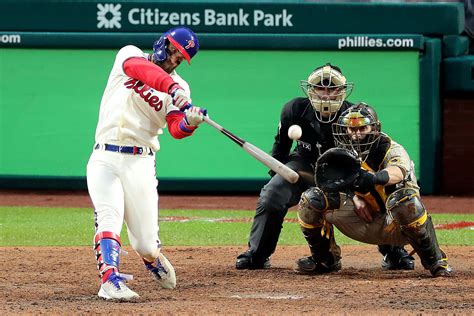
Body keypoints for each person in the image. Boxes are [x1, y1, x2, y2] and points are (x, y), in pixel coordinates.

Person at [87, 26, 207, 301]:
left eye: (180, 59)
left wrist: (190, 121)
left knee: (145, 243)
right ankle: (109, 280)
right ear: (163, 42)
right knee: (109, 215)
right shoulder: (129, 55)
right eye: (174, 52)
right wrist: (172, 87)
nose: (173, 60)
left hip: (140, 162)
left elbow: (176, 128)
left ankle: (151, 257)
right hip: (104, 155)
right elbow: (140, 69)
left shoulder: (181, 88)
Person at [296, 102, 453, 277]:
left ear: (374, 128)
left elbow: (398, 172)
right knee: (311, 200)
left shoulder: (390, 149)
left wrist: (373, 178)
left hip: (395, 222)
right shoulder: (340, 151)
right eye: (351, 129)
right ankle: (325, 259)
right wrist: (354, 198)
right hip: (361, 217)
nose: (356, 134)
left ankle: (435, 261)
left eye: (362, 128)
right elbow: (331, 184)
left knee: (405, 201)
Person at [235, 63, 354, 269]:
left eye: (332, 88)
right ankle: (258, 254)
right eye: (320, 88)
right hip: (303, 166)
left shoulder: (353, 116)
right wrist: (277, 177)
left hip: (342, 173)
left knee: (376, 196)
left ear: (342, 91)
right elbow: (280, 149)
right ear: (310, 90)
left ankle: (394, 253)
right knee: (272, 194)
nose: (325, 95)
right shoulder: (294, 110)